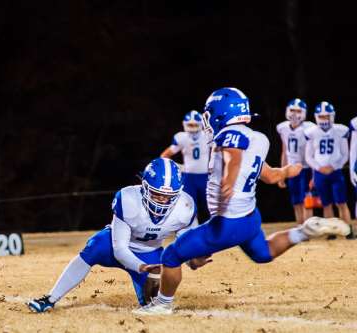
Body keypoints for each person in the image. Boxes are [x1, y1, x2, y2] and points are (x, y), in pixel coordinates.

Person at [133, 87, 350, 315]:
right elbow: (271, 175)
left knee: (171, 255)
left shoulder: (229, 136)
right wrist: (287, 171)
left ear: (220, 113)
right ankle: (305, 230)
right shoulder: (258, 139)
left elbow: (233, 156)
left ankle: (163, 305)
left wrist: (229, 178)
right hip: (250, 218)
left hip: (227, 222)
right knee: (263, 253)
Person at [27, 158, 210, 312]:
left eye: (168, 196)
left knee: (152, 306)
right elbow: (119, 248)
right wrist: (140, 266)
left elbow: (186, 243)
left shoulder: (185, 205)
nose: (162, 200)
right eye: (156, 194)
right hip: (116, 244)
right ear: (144, 187)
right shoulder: (129, 198)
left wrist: (192, 259)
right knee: (94, 247)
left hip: (151, 253)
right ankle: (50, 299)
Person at [304, 102, 351, 225]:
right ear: (316, 116)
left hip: (335, 172)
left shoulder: (341, 130)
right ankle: (331, 231)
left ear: (332, 116)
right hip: (320, 173)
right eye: (321, 116)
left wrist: (334, 166)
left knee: (341, 202)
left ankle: (348, 230)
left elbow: (345, 154)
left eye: (326, 116)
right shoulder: (311, 132)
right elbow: (308, 156)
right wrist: (319, 168)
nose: (324, 119)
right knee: (326, 204)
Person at [161, 111, 210, 222]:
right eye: (190, 125)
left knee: (209, 206)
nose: (192, 127)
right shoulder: (182, 137)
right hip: (189, 178)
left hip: (206, 177)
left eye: (195, 125)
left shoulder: (208, 136)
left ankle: (211, 232)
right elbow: (164, 156)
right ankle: (191, 232)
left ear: (200, 124)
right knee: (188, 207)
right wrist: (179, 167)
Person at [276, 99, 314, 224]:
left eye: (298, 111)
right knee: (296, 200)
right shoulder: (282, 128)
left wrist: (314, 174)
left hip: (306, 168)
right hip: (291, 169)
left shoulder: (309, 128)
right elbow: (285, 151)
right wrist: (282, 174)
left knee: (307, 200)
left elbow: (314, 153)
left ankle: (307, 228)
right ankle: (300, 226)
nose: (294, 114)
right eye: (292, 110)